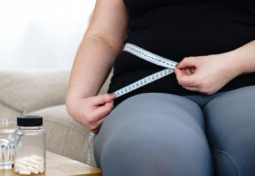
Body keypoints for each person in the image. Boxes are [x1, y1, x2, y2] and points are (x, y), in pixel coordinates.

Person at [66, 0, 255, 175]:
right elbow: (103, 36)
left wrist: (232, 63)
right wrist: (77, 98)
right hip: (147, 90)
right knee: (147, 154)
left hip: (247, 82)